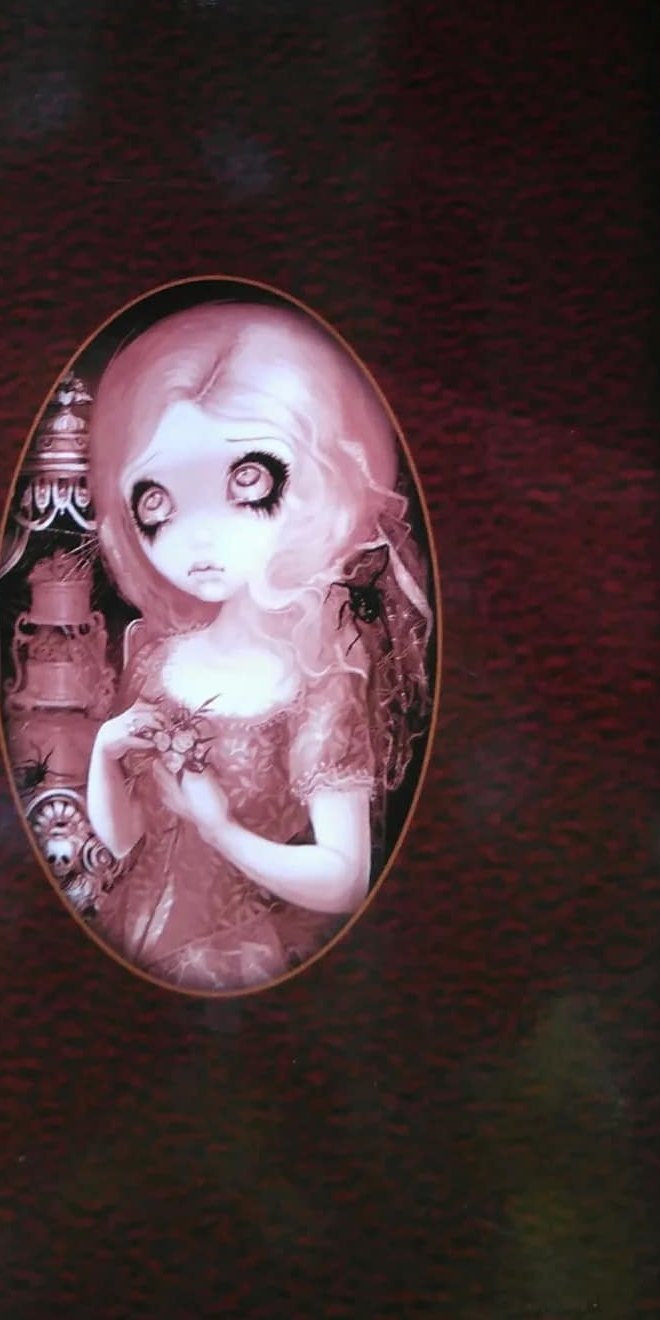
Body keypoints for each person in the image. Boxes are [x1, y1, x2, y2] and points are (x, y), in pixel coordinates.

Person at [80, 296, 432, 993]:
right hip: (133, 938)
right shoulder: (155, 656)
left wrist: (223, 832)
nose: (198, 538)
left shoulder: (321, 677)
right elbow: (125, 842)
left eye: (247, 485)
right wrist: (104, 752)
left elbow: (345, 880)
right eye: (156, 503)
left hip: (239, 959)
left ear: (319, 485)